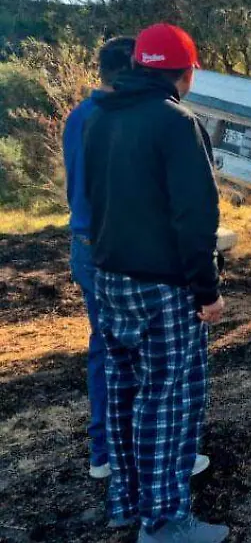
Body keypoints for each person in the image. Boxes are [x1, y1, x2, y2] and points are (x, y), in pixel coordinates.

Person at [84, 23, 227, 543]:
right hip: (163, 287)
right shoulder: (176, 123)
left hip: (109, 279)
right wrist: (206, 290)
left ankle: (127, 502)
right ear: (185, 72)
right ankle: (164, 522)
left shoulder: (100, 119)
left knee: (125, 392)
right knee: (168, 401)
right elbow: (196, 216)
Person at [63, 36, 133, 478]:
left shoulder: (78, 116)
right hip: (116, 248)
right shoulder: (122, 119)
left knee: (102, 348)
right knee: (140, 352)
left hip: (84, 245)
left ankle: (103, 451)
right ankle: (139, 455)